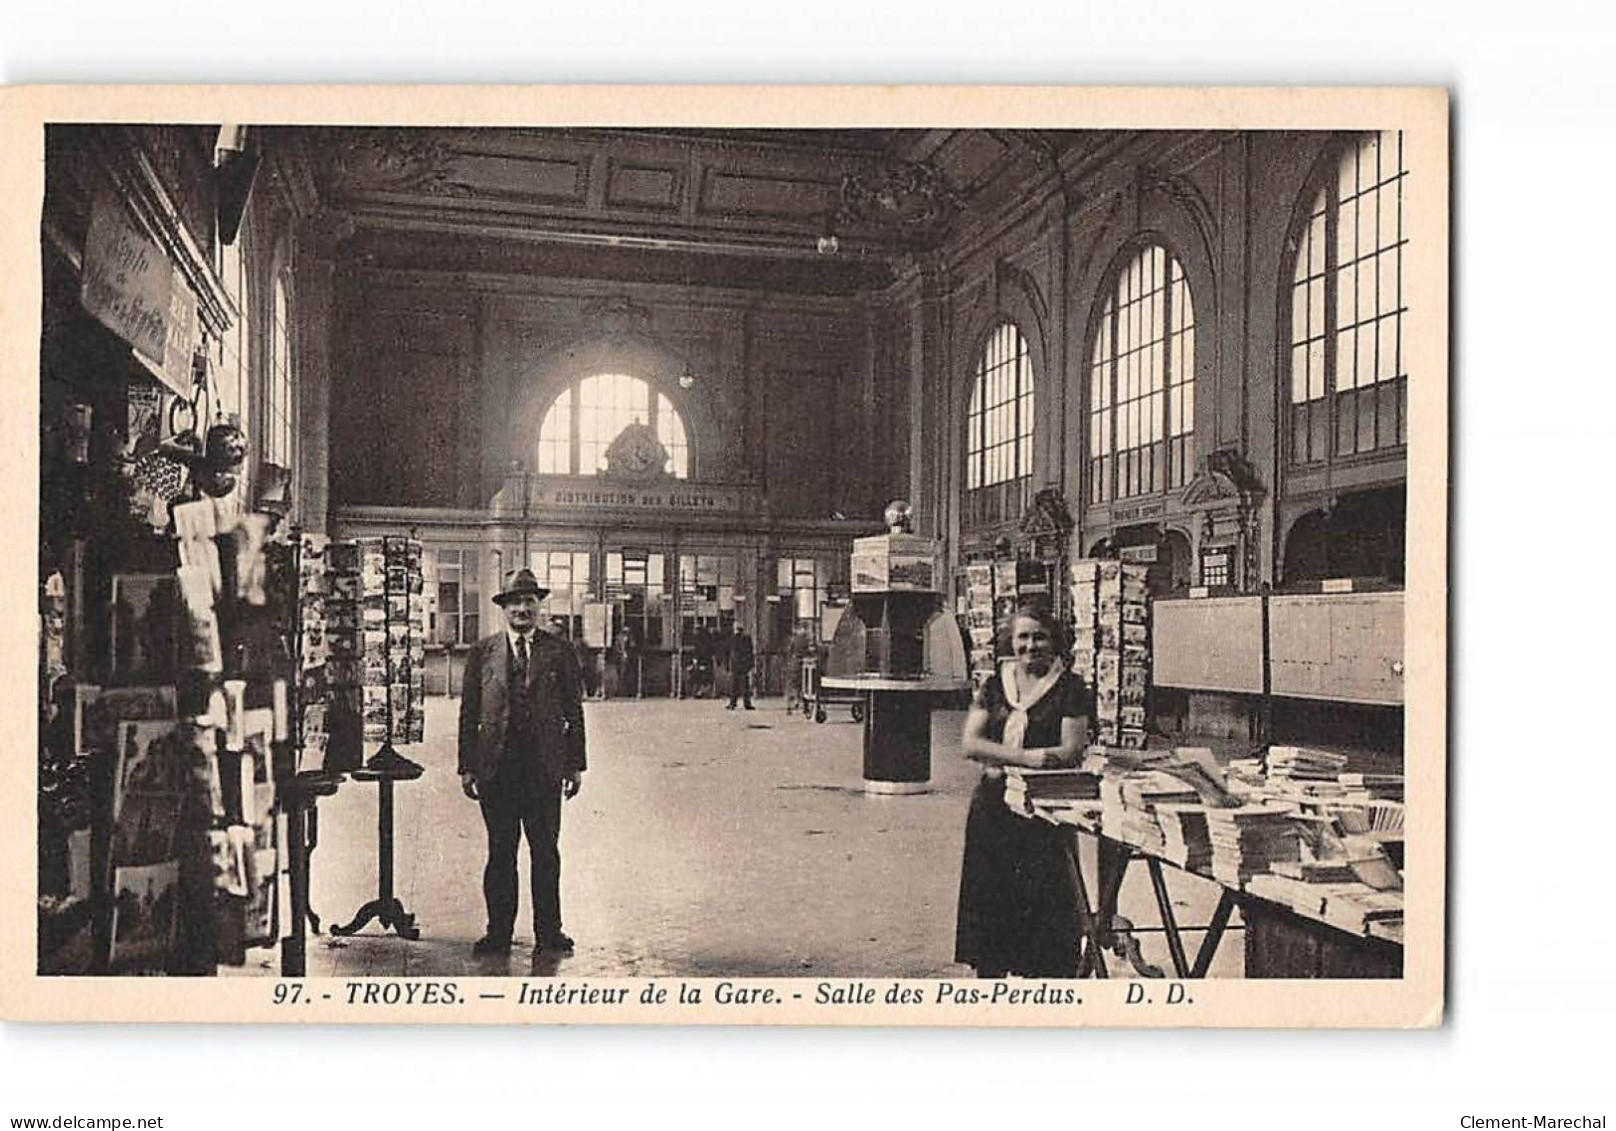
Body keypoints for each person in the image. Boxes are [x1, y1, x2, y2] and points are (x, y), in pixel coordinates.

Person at [955, 606, 1091, 978]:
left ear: (1055, 641)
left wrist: (1002, 757)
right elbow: (969, 743)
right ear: (1011, 642)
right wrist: (1026, 757)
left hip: (1044, 814)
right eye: (1023, 637)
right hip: (992, 809)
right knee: (992, 900)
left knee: (1044, 904)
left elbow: (1070, 751)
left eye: (1040, 637)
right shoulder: (996, 684)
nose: (1031, 646)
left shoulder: (1072, 688)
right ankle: (992, 980)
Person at [458, 569, 587, 957]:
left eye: (529, 601)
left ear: (538, 606)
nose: (522, 608)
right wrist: (467, 766)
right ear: (504, 609)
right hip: (497, 769)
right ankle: (498, 933)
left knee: (545, 852)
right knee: (501, 852)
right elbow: (469, 713)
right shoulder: (483, 652)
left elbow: (573, 710)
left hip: (544, 768)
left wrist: (574, 764)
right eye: (515, 602)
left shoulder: (558, 650)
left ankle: (550, 932)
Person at [725, 622, 755, 710]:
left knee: (734, 685)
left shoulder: (732, 639)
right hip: (744, 665)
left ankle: (732, 703)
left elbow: (728, 652)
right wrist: (750, 664)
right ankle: (747, 703)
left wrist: (728, 664)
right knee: (745, 685)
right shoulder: (746, 639)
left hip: (735, 665)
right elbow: (750, 652)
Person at [783, 626, 810, 714]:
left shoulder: (793, 640)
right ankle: (805, 707)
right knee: (804, 685)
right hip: (804, 664)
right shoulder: (806, 640)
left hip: (794, 664)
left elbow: (788, 651)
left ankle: (790, 707)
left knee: (791, 686)